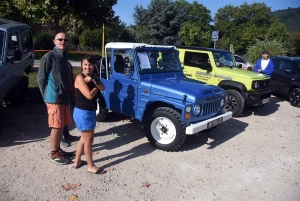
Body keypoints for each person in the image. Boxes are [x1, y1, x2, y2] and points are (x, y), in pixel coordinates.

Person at [37, 32, 75, 164]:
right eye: (60, 39)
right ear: (54, 41)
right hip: (54, 98)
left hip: (64, 98)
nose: (63, 41)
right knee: (56, 126)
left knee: (62, 125)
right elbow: (41, 79)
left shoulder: (65, 58)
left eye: (65, 40)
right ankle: (54, 154)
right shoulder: (49, 57)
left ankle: (58, 149)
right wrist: (46, 97)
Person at [72, 55, 106, 174]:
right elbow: (89, 95)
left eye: (90, 65)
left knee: (84, 138)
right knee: (88, 141)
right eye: (85, 64)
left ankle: (77, 161)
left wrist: (93, 80)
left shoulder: (93, 76)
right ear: (82, 65)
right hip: (83, 113)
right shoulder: (79, 78)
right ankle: (91, 166)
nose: (88, 67)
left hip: (89, 112)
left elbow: (104, 87)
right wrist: (95, 85)